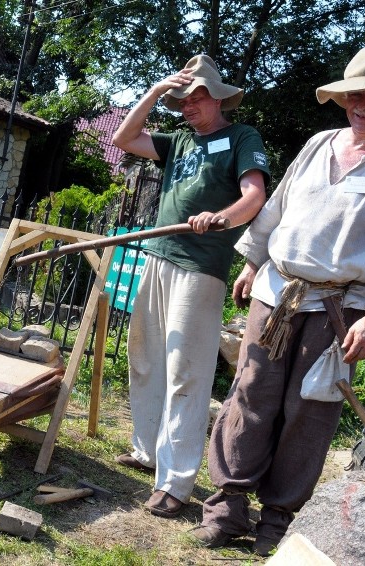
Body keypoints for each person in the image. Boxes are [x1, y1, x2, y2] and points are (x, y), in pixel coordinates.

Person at [192, 39, 365, 555]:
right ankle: (228, 506)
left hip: (339, 307)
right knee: (251, 393)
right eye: (354, 96)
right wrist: (253, 260)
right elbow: (277, 209)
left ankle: (278, 520)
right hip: (276, 290)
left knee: (310, 410)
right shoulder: (320, 143)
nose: (362, 105)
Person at [111, 55, 270, 518]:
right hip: (157, 258)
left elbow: (254, 196)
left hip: (201, 266)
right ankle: (147, 451)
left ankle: (177, 482)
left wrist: (222, 219)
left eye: (196, 97)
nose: (187, 106)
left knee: (186, 371)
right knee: (143, 356)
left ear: (218, 97)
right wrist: (157, 90)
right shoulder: (178, 139)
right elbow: (123, 139)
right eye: (181, 99)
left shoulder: (242, 137)